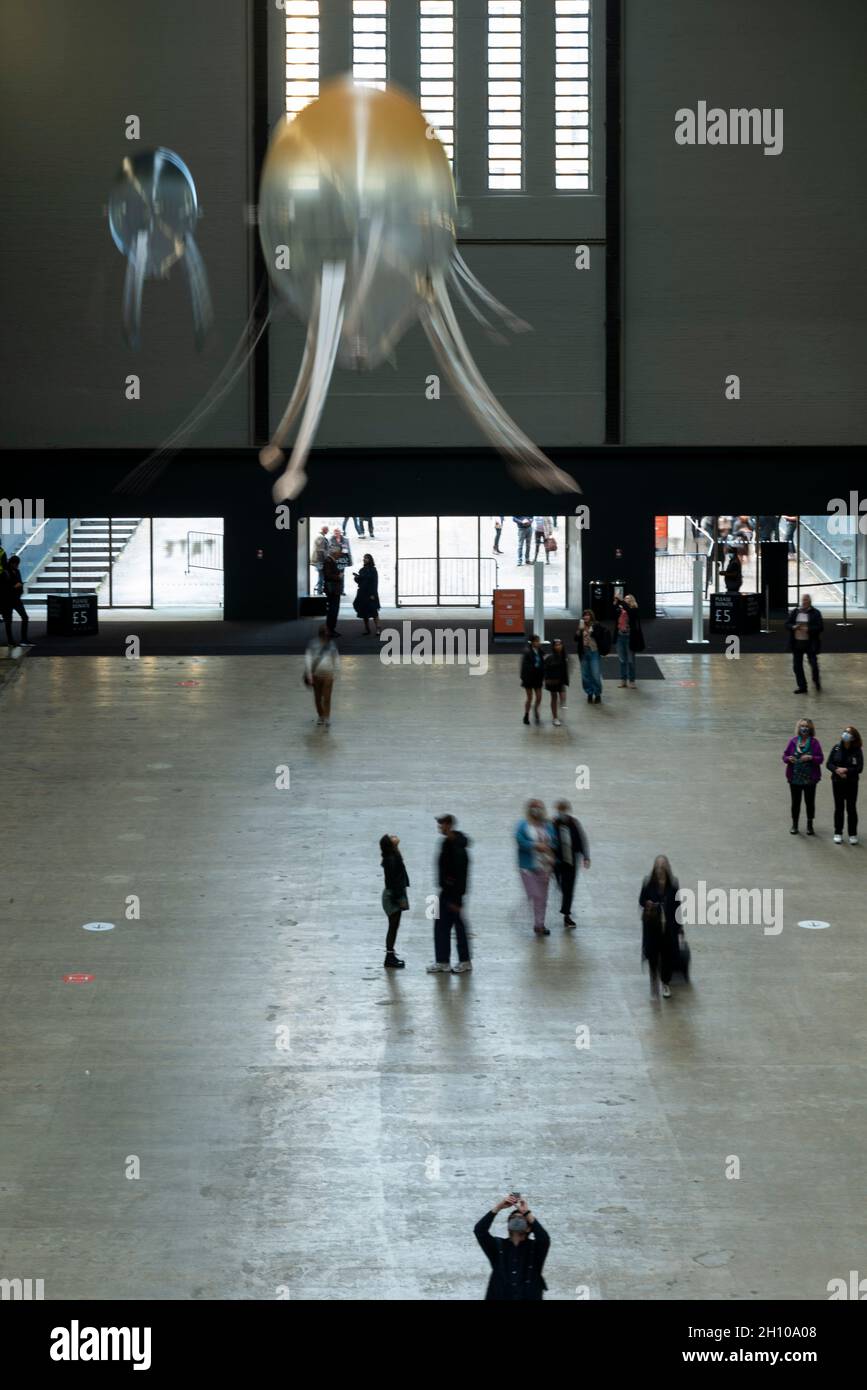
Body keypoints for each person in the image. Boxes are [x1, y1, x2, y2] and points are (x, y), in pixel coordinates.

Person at [474, 1195, 550, 1301]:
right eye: (513, 1218)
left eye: (521, 1218)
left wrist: (527, 1213)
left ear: (529, 1228)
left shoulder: (535, 1249)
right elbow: (479, 1231)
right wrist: (498, 1207)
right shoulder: (497, 1246)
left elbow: (544, 1239)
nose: (516, 1220)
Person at [426, 815, 472, 974]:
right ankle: (442, 961)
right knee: (440, 926)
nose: (440, 827)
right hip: (445, 892)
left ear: (449, 825)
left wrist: (456, 898)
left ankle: (464, 961)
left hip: (453, 895)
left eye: (442, 824)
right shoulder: (446, 843)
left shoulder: (457, 847)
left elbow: (460, 874)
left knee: (458, 928)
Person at [638, 855, 684, 1000]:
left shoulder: (673, 885)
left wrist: (680, 927)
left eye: (662, 866)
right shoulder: (648, 884)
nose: (660, 869)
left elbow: (677, 907)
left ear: (666, 868)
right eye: (658, 866)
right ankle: (653, 982)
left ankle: (665, 983)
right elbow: (641, 900)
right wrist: (648, 903)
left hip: (668, 929)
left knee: (667, 956)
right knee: (652, 955)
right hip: (652, 928)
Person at [515, 800, 556, 936]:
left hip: (544, 866)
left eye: (539, 808)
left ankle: (540, 925)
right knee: (535, 894)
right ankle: (528, 915)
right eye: (534, 808)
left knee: (543, 898)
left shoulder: (548, 825)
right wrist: (535, 845)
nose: (536, 811)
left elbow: (554, 842)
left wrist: (550, 849)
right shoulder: (522, 825)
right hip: (527, 867)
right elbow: (519, 840)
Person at [782, 717, 823, 835]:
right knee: (795, 802)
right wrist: (788, 758)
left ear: (810, 729)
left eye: (806, 727)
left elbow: (820, 759)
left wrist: (811, 758)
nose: (804, 728)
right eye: (802, 726)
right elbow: (784, 756)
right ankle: (795, 825)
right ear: (798, 728)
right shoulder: (793, 741)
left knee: (810, 802)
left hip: (810, 779)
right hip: (794, 778)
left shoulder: (815, 743)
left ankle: (810, 825)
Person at [552, 801, 590, 927]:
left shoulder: (573, 823)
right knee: (562, 886)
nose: (562, 813)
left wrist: (586, 856)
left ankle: (566, 915)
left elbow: (581, 839)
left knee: (569, 889)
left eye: (564, 810)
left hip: (571, 861)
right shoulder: (553, 824)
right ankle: (564, 895)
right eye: (560, 810)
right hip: (557, 862)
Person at [826, 726, 862, 845]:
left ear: (853, 737)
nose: (846, 734)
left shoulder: (857, 751)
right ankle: (838, 833)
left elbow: (859, 768)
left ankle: (852, 834)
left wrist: (846, 770)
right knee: (839, 808)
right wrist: (836, 770)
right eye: (845, 732)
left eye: (849, 733)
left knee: (851, 808)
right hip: (837, 783)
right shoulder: (836, 748)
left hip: (851, 784)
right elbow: (829, 763)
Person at [380, 834, 409, 969]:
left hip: (394, 895)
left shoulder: (393, 855)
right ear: (390, 845)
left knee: (394, 926)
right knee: (393, 927)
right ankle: (389, 957)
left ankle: (390, 955)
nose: (394, 836)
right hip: (393, 896)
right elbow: (394, 882)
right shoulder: (391, 859)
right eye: (391, 837)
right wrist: (400, 899)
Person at [786, 593, 823, 694]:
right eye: (803, 600)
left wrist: (809, 629)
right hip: (797, 643)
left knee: (814, 664)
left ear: (810, 602)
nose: (805, 602)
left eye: (806, 600)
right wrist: (793, 627)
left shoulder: (816, 613)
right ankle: (802, 686)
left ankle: (816, 680)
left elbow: (820, 627)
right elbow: (787, 624)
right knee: (797, 666)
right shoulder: (795, 612)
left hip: (810, 643)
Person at [304, 625, 340, 726]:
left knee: (327, 697)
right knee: (318, 697)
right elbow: (308, 658)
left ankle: (327, 717)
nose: (326, 636)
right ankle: (321, 716)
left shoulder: (331, 644)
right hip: (316, 675)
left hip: (328, 674)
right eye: (324, 634)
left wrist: (336, 672)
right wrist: (309, 674)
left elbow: (336, 657)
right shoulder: (312, 644)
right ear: (321, 634)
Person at [574, 607, 609, 704]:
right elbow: (576, 639)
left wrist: (592, 632)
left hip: (594, 652)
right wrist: (579, 631)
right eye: (584, 615)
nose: (586, 617)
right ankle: (589, 693)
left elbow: (601, 636)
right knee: (585, 675)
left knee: (595, 674)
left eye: (587, 615)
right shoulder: (581, 626)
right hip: (584, 653)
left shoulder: (596, 625)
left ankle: (597, 694)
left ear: (591, 616)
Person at [612, 593, 643, 688]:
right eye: (625, 598)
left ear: (632, 600)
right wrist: (616, 604)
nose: (626, 599)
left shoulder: (634, 610)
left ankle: (632, 680)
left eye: (628, 598)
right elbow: (613, 616)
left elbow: (629, 612)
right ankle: (623, 680)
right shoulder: (621, 609)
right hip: (620, 636)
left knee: (630, 660)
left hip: (630, 637)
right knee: (622, 660)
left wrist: (621, 601)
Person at [3, 557, 29, 646]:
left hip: (16, 599)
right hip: (7, 600)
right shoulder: (5, 572)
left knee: (25, 617)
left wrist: (20, 588)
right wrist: (15, 587)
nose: (17, 565)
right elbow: (4, 588)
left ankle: (24, 639)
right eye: (16, 563)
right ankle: (10, 641)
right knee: (8, 620)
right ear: (11, 563)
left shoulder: (17, 571)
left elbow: (20, 582)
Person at [352, 553, 381, 635]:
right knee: (364, 611)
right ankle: (367, 629)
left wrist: (373, 594)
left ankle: (378, 628)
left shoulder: (373, 570)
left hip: (370, 593)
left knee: (374, 611)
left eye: (366, 558)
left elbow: (375, 583)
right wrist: (356, 578)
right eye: (364, 558)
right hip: (362, 593)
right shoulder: (362, 570)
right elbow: (360, 581)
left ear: (370, 560)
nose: (364, 559)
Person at [543, 637, 569, 726]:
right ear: (553, 647)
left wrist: (566, 681)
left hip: (561, 680)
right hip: (552, 681)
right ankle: (555, 718)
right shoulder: (550, 658)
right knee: (554, 698)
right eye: (556, 645)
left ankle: (558, 709)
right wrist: (546, 680)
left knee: (562, 697)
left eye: (560, 644)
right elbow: (545, 669)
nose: (558, 646)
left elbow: (565, 670)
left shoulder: (564, 657)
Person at [520, 634, 544, 725]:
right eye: (536, 641)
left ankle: (536, 709)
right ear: (532, 642)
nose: (538, 643)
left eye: (539, 641)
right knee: (529, 698)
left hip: (538, 678)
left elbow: (543, 663)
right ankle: (526, 714)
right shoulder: (527, 652)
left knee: (539, 697)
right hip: (529, 679)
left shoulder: (541, 651)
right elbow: (524, 667)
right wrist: (524, 678)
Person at [321, 551, 343, 636]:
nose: (340, 555)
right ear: (334, 553)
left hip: (334, 590)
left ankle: (331, 629)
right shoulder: (328, 561)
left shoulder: (331, 561)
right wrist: (338, 576)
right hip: (332, 590)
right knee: (333, 610)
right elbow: (327, 575)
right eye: (339, 553)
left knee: (333, 610)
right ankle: (330, 630)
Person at [311, 525, 331, 595]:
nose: (328, 531)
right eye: (327, 530)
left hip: (320, 561)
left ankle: (320, 590)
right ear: (324, 530)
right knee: (321, 577)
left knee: (321, 576)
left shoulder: (321, 536)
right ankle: (319, 592)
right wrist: (325, 559)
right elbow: (320, 550)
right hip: (320, 561)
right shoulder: (320, 537)